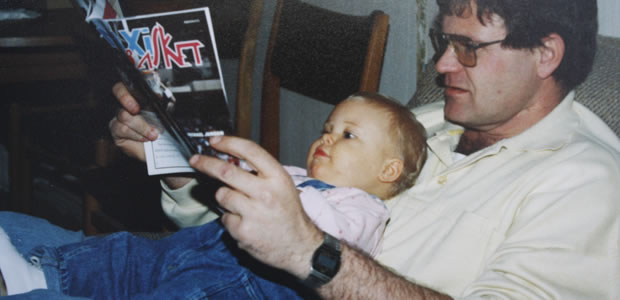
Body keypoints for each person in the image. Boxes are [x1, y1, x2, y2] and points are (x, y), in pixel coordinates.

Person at [2, 0, 620, 298]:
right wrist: (175, 164)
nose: (439, 64)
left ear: (547, 54)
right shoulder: (430, 121)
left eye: (467, 48)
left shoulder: (586, 184)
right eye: (442, 41)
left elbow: (304, 240)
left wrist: (313, 254)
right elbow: (275, 215)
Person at [0, 93, 427, 298]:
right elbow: (225, 185)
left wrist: (280, 196)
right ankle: (42, 276)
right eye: (328, 128)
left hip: (240, 286)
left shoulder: (365, 208)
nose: (327, 139)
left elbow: (327, 239)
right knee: (129, 255)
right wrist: (181, 152)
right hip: (199, 247)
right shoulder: (294, 174)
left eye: (348, 135)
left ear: (387, 171)